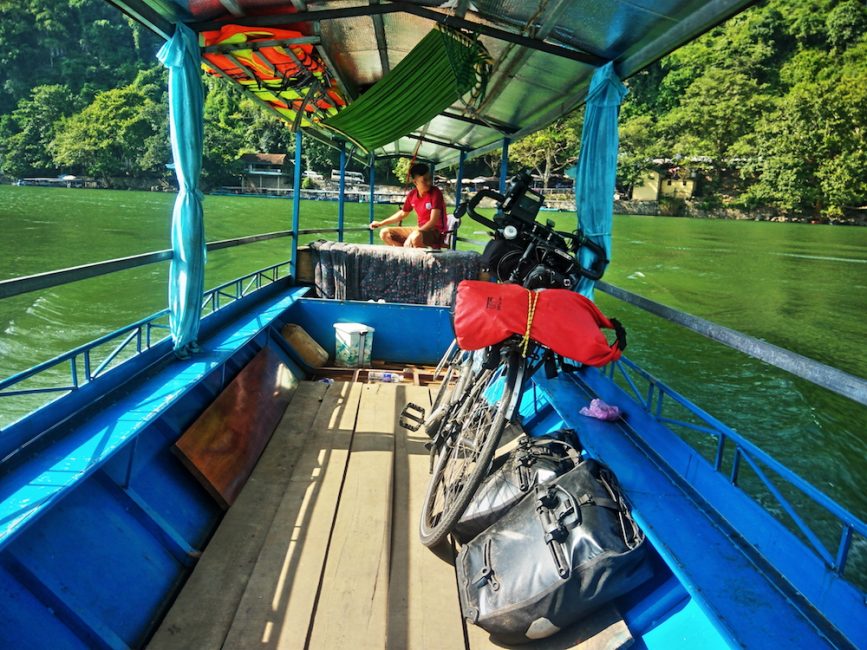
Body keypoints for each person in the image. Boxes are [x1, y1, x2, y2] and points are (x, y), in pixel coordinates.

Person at [369, 163, 447, 248]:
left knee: (416, 237)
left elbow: (433, 221)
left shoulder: (436, 193)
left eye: (430, 179)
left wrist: (414, 234)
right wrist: (380, 223)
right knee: (384, 233)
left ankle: (420, 259)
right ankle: (404, 256)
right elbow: (403, 213)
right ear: (415, 182)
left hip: (435, 232)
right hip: (419, 229)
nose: (429, 182)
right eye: (424, 180)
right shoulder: (412, 195)